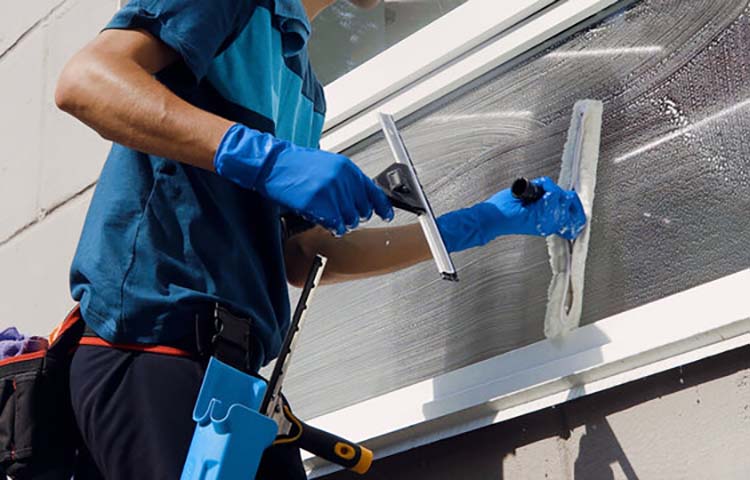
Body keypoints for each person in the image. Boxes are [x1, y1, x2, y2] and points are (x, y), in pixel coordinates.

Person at [54, 0, 586, 478]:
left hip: (238, 381)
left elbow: (302, 255)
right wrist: (270, 160)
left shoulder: (306, 88)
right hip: (149, 349)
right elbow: (86, 82)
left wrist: (475, 224)